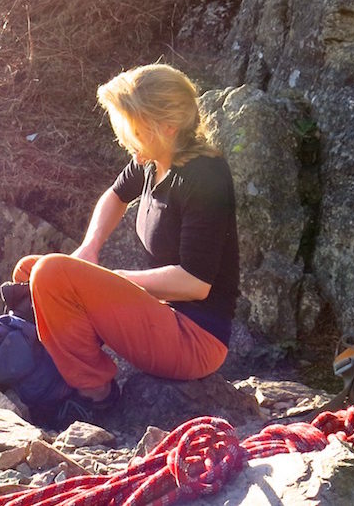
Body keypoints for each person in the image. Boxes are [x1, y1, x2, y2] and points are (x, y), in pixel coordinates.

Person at [12, 63, 240, 425]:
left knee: (52, 274)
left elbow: (195, 284)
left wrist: (115, 278)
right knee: (31, 269)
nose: (124, 139)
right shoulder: (153, 161)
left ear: (167, 127)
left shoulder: (205, 177)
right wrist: (90, 247)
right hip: (162, 314)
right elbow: (115, 196)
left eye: (132, 128)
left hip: (195, 339)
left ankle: (94, 396)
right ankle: (60, 371)